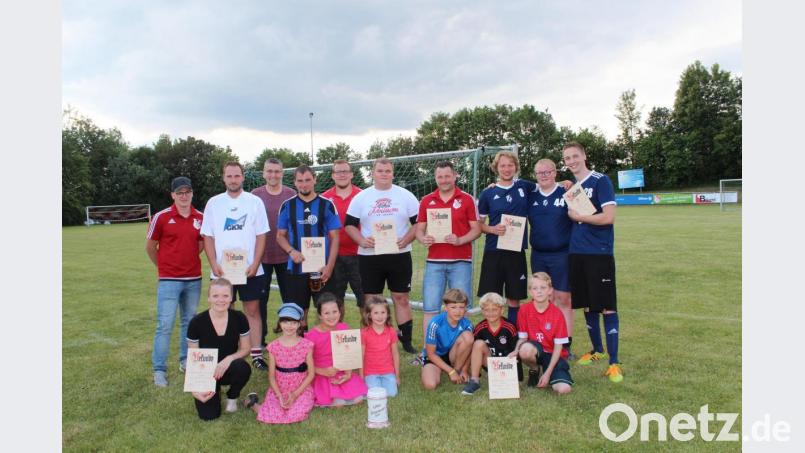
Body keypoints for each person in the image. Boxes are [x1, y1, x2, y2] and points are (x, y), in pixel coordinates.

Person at [562, 141, 624, 383]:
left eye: (575, 156)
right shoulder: (572, 188)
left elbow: (609, 218)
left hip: (599, 253)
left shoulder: (601, 181)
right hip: (577, 253)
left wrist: (581, 217)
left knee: (607, 305)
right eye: (567, 158)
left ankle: (614, 362)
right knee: (587, 304)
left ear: (584, 156)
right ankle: (597, 351)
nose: (572, 161)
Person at [344, 158, 420, 354]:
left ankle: (406, 340)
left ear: (392, 173)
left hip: (399, 254)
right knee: (372, 299)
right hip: (370, 256)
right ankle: (375, 338)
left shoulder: (406, 196)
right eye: (380, 170)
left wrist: (407, 239)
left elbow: (419, 224)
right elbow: (349, 225)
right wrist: (361, 240)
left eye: (388, 171)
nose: (384, 174)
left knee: (401, 297)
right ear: (373, 173)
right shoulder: (362, 197)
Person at [201, 161, 270, 371]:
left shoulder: (254, 202)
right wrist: (214, 264)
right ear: (223, 178)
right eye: (229, 176)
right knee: (223, 310)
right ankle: (227, 352)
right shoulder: (213, 203)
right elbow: (208, 236)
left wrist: (255, 263)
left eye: (237, 176)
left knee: (252, 310)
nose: (233, 180)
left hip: (250, 269)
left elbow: (261, 235)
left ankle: (256, 353)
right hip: (223, 270)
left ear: (243, 177)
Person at [146, 176, 204, 387]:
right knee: (165, 325)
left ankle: (185, 360)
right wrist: (163, 267)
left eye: (187, 192)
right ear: (173, 195)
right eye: (179, 192)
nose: (184, 196)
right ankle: (159, 369)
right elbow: (150, 247)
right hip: (169, 280)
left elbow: (200, 245)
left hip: (193, 279)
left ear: (192, 193)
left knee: (189, 322)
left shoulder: (200, 216)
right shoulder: (162, 217)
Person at [415, 161, 481, 338]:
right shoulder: (427, 200)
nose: (443, 180)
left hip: (461, 262)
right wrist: (423, 238)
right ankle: (428, 354)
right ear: (435, 178)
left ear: (454, 176)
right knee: (430, 308)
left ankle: (462, 348)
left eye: (447, 176)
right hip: (434, 263)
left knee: (461, 308)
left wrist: (460, 240)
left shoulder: (466, 199)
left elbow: (477, 229)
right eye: (440, 176)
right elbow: (419, 230)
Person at [276, 165, 341, 330]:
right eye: (300, 181)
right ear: (295, 182)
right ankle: (302, 349)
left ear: (314, 180)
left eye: (307, 180)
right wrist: (291, 251)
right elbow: (280, 236)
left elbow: (335, 237)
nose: (304, 184)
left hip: (322, 268)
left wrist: (330, 266)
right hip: (297, 267)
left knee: (326, 310)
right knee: (298, 312)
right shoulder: (287, 206)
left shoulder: (326, 205)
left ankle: (325, 349)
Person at [477, 151, 536, 326]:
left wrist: (563, 182)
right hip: (493, 251)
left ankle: (513, 334)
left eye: (510, 165)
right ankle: (493, 336)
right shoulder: (488, 193)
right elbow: (479, 225)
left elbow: (547, 186)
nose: (507, 169)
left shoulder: (525, 186)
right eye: (503, 165)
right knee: (492, 298)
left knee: (514, 297)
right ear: (497, 168)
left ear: (516, 167)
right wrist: (493, 229)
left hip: (515, 251)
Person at [527, 158, 575, 357]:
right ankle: (545, 341)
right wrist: (494, 185)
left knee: (563, 298)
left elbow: (587, 213)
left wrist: (572, 184)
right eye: (540, 173)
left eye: (548, 172)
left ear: (555, 172)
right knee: (542, 297)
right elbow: (509, 186)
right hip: (538, 253)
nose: (544, 175)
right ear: (535, 175)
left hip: (562, 254)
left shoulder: (567, 191)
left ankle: (565, 345)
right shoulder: (530, 194)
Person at [186, 278, 252, 420]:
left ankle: (232, 396)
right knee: (209, 416)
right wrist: (195, 389)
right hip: (206, 373)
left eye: (225, 296)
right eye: (215, 296)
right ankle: (214, 391)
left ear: (232, 298)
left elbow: (246, 348)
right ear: (209, 298)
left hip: (229, 368)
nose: (220, 300)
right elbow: (193, 358)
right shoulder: (196, 322)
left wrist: (229, 359)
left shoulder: (239, 318)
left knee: (243, 367)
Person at [251, 158, 296, 347]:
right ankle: (259, 341)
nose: (273, 175)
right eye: (269, 171)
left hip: (287, 256)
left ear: (282, 173)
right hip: (261, 257)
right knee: (260, 300)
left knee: (291, 300)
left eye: (277, 171)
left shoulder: (291, 194)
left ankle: (292, 338)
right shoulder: (255, 195)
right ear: (263, 173)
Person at [247, 302, 316, 424]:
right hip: (279, 389)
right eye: (285, 322)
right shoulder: (273, 347)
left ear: (299, 324)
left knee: (296, 414)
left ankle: (293, 403)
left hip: (300, 389)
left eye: (293, 322)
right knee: (274, 413)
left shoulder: (307, 345)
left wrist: (295, 394)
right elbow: (272, 376)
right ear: (280, 323)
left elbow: (311, 374)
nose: (289, 326)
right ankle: (252, 403)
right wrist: (279, 395)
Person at [512, 272, 573, 394]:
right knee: (524, 350)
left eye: (543, 288)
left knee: (564, 389)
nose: (539, 291)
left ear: (550, 290)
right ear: (530, 292)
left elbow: (558, 347)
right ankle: (534, 370)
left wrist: (548, 373)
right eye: (535, 288)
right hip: (535, 351)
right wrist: (516, 350)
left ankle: (549, 374)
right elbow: (522, 339)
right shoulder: (524, 310)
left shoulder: (557, 314)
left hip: (554, 355)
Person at [305, 292, 368, 406]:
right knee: (338, 402)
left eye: (335, 312)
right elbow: (304, 363)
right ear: (320, 315)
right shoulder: (311, 336)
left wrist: (348, 373)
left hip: (341, 371)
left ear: (340, 312)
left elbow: (348, 355)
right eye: (326, 313)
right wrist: (322, 371)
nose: (331, 316)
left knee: (358, 398)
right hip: (322, 374)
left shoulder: (343, 328)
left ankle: (346, 386)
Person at [321, 159, 365, 309]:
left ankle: (367, 333)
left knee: (365, 300)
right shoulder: (324, 199)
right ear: (332, 175)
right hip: (334, 257)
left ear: (351, 174)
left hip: (359, 254)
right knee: (335, 302)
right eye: (338, 172)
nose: (342, 175)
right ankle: (338, 332)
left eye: (345, 171)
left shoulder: (362, 196)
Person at [461, 292, 518, 395]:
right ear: (482, 311)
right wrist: (464, 369)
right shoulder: (480, 328)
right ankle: (475, 381)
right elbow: (472, 351)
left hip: (506, 365)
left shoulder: (510, 327)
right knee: (478, 344)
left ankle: (503, 379)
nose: (490, 313)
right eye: (487, 310)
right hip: (490, 363)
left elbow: (516, 352)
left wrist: (517, 376)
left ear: (502, 310)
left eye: (494, 309)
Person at [420, 289, 474, 390]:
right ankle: (444, 370)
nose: (458, 311)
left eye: (461, 307)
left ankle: (457, 369)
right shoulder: (435, 323)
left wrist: (464, 370)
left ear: (465, 309)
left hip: (453, 355)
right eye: (453, 307)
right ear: (446, 308)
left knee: (468, 337)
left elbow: (470, 348)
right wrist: (450, 371)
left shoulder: (467, 324)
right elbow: (430, 354)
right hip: (435, 356)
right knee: (430, 385)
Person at [360, 295, 401, 397]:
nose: (380, 316)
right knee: (375, 394)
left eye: (383, 312)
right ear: (369, 315)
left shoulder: (391, 331)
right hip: (370, 372)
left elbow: (395, 354)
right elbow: (361, 356)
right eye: (376, 313)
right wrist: (361, 377)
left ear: (387, 314)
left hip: (388, 371)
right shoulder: (364, 333)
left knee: (392, 393)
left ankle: (387, 381)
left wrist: (397, 376)